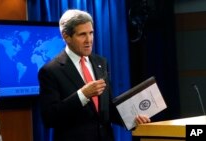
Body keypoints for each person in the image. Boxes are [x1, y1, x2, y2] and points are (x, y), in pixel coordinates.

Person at [38, 9, 151, 141]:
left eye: (91, 33)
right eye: (82, 34)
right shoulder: (50, 71)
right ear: (66, 36)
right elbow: (50, 118)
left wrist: (132, 119)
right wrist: (82, 95)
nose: (89, 40)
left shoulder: (101, 62)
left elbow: (107, 108)